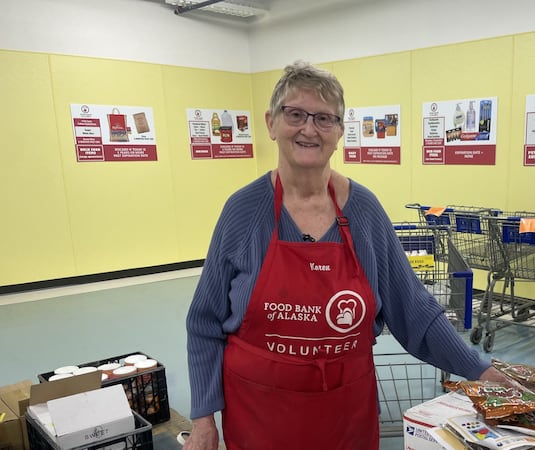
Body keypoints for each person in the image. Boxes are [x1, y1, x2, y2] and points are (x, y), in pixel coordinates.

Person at [183, 60, 506, 450]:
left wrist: (479, 370)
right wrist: (203, 419)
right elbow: (204, 322)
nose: (308, 129)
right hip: (260, 416)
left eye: (324, 119)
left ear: (339, 133)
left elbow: (413, 310)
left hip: (344, 416)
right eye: (295, 114)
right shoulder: (243, 211)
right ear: (271, 123)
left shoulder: (364, 211)